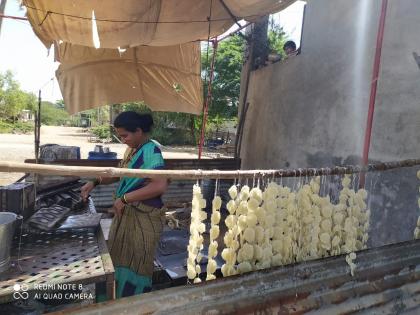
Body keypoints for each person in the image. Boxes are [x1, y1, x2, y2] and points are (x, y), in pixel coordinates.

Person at [81, 111, 168, 299]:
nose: (122, 140)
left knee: (136, 263)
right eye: (120, 136)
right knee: (120, 259)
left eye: (124, 135)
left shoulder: (151, 150)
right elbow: (120, 174)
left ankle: (132, 306)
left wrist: (125, 199)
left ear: (138, 131)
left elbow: (159, 184)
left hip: (143, 218)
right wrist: (94, 182)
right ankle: (116, 302)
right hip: (127, 215)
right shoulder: (133, 150)